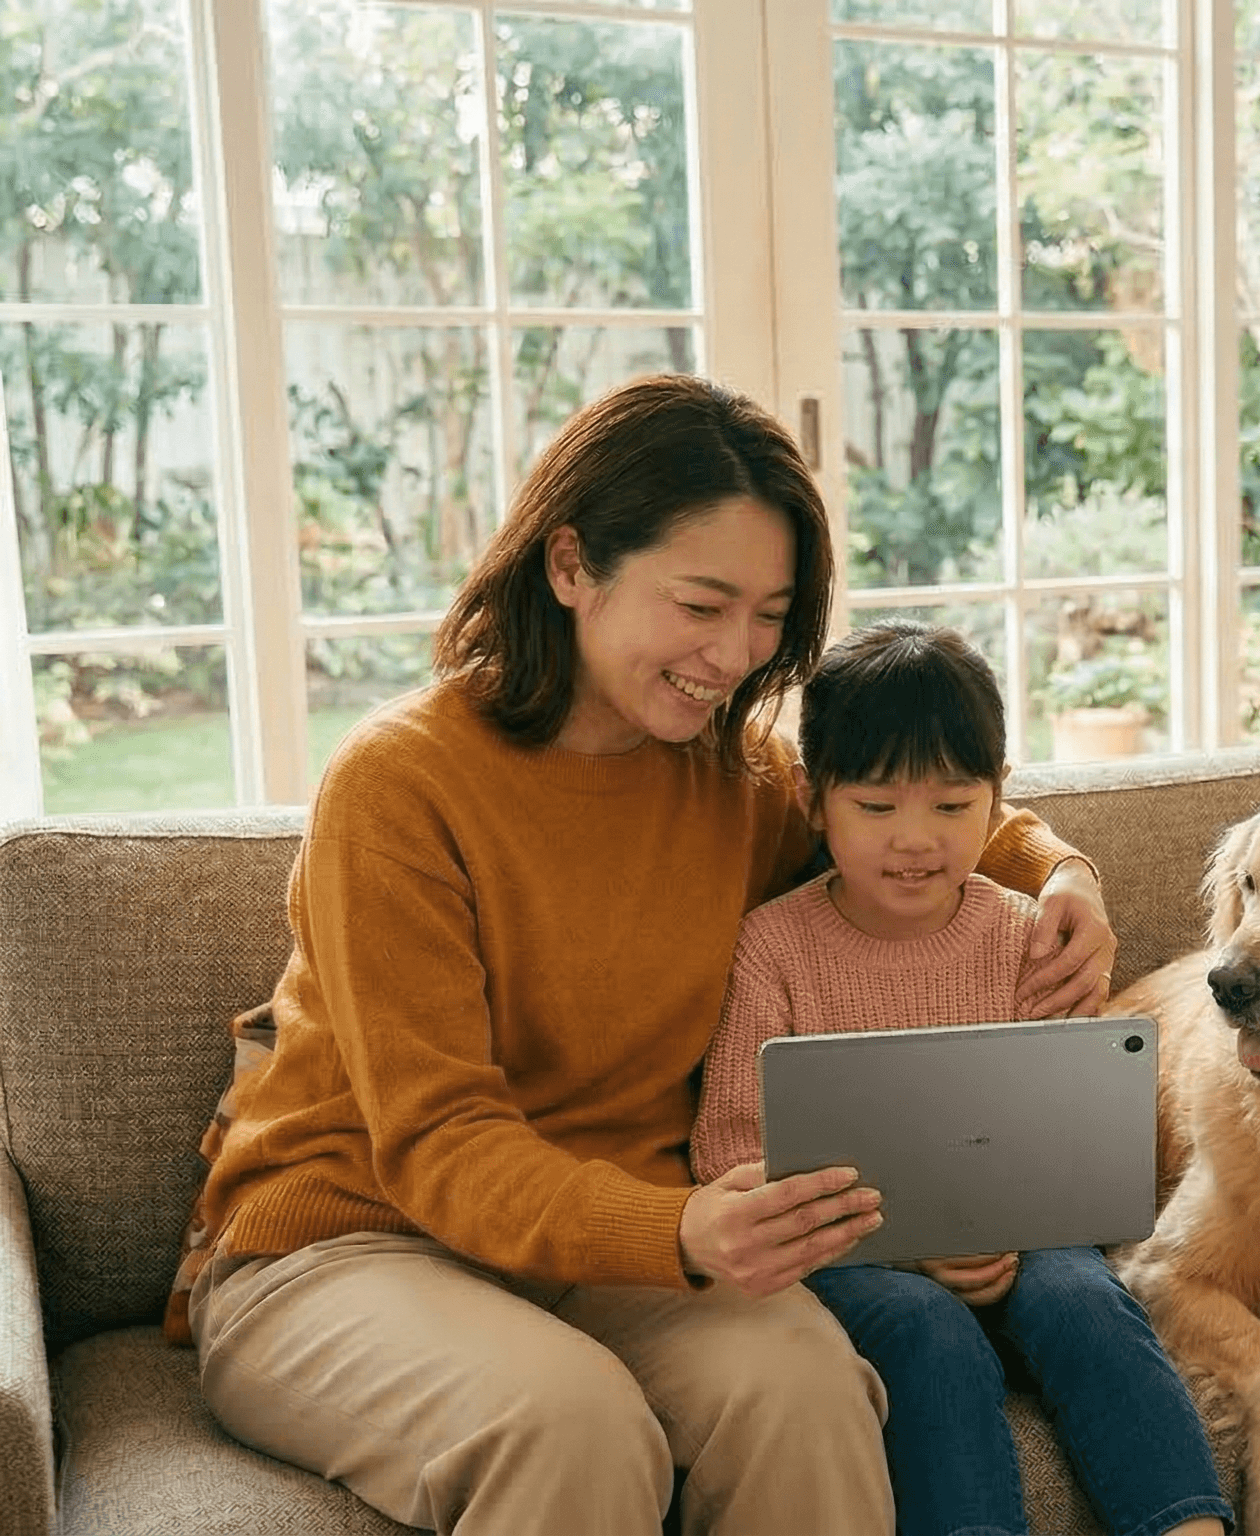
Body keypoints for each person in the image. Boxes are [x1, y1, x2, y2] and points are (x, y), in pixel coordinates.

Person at [185, 375, 1120, 1535]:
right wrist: (674, 1229)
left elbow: (899, 820)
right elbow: (439, 1143)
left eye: (771, 614)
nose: (736, 654)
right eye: (702, 603)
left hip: (624, 1243)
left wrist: (1064, 872)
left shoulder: (735, 776)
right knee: (571, 1428)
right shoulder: (400, 784)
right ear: (571, 566)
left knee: (810, 1393)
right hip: (353, 1244)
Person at [691, 620, 1231, 1536]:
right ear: (815, 801)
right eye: (877, 807)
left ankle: (1188, 1524)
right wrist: (903, 1245)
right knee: (925, 1331)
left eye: (951, 807)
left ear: (997, 799)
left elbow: (1080, 1120)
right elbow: (734, 1152)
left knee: (1087, 1303)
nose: (917, 841)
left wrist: (1015, 1231)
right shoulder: (772, 948)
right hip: (852, 1257)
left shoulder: (1028, 934)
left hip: (1028, 1237)